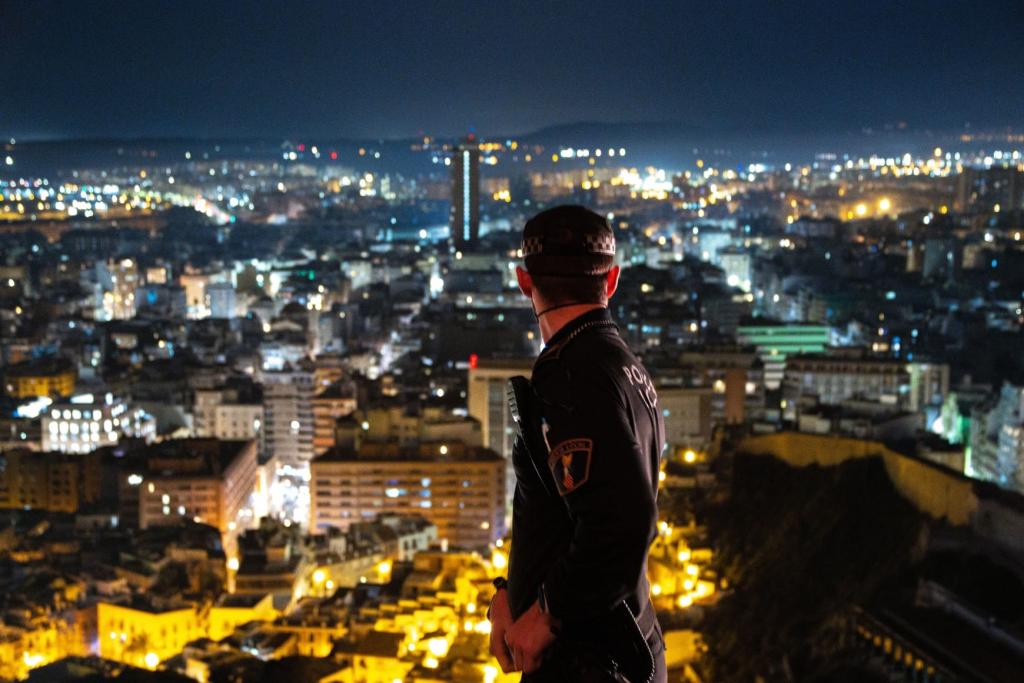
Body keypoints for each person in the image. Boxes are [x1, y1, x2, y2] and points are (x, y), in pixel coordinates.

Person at [488, 205, 666, 681]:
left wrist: (546, 611)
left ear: (525, 282)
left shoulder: (574, 375)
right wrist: (511, 592)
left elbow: (624, 521)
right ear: (611, 281)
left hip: (587, 659)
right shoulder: (621, 365)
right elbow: (563, 511)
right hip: (616, 642)